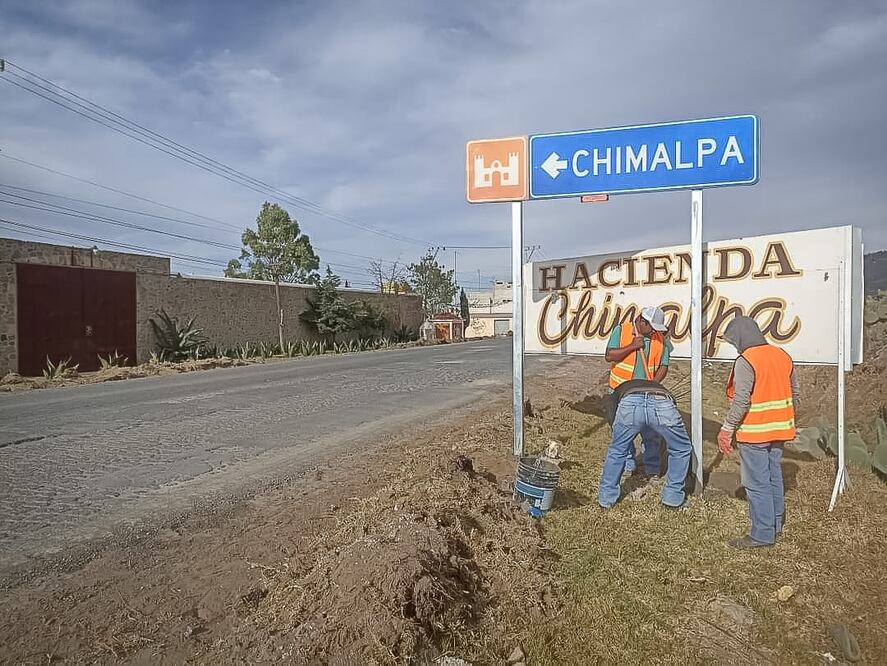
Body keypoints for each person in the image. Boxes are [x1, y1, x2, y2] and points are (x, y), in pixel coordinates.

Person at [717, 316, 800, 549]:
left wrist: (727, 428)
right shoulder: (782, 355)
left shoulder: (746, 360)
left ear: (740, 337)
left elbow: (741, 400)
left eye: (733, 341)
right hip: (780, 430)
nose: (735, 346)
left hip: (755, 432)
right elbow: (794, 394)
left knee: (756, 483)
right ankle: (775, 525)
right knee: (774, 477)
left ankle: (762, 534)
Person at [598, 378, 691, 509]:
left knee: (617, 449)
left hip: (630, 403)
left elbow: (614, 423)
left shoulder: (618, 391)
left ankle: (606, 499)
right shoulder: (659, 387)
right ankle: (672, 497)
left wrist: (624, 447)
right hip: (662, 402)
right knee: (681, 448)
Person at [605, 306, 673, 476]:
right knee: (621, 431)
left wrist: (654, 385)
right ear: (642, 321)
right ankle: (628, 465)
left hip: (647, 393)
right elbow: (609, 356)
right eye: (652, 327)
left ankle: (652, 469)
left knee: (651, 433)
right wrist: (632, 346)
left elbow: (664, 365)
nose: (655, 332)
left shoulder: (660, 338)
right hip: (620, 392)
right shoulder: (621, 331)